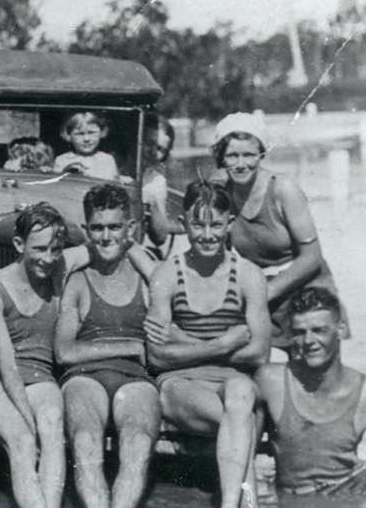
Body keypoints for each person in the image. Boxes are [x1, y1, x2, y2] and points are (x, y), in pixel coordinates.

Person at [145, 179, 271, 508]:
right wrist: (223, 343)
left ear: (229, 223)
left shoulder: (248, 275)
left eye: (216, 224)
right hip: (180, 386)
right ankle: (247, 503)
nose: (207, 234)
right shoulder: (167, 274)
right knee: (241, 417)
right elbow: (156, 357)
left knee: (240, 396)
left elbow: (259, 351)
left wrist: (183, 342)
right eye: (197, 225)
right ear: (184, 223)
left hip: (233, 384)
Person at [254, 287, 366, 504]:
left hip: (358, 491)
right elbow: (245, 452)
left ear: (340, 329)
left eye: (319, 330)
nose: (309, 341)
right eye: (300, 332)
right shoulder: (271, 381)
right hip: (297, 497)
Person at [54, 184, 161, 508]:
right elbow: (65, 351)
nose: (105, 236)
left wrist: (139, 253)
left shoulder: (146, 276)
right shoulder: (78, 280)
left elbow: (169, 292)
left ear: (130, 228)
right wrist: (129, 344)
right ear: (87, 230)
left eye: (114, 227)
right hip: (85, 377)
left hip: (136, 380)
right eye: (97, 228)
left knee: (138, 441)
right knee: (85, 439)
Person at [0, 203, 69, 508]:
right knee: (22, 440)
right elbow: (6, 366)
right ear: (19, 245)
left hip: (38, 372)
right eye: (40, 248)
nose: (48, 258)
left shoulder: (58, 273)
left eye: (56, 249)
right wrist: (27, 423)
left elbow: (98, 250)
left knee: (52, 426)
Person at [211, 112, 347, 349]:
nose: (241, 164)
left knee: (311, 367)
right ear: (221, 157)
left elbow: (312, 256)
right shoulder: (220, 192)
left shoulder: (282, 188)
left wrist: (264, 293)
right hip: (260, 288)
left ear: (262, 154)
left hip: (306, 285)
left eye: (249, 155)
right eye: (232, 155)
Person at [142, 116, 183, 249]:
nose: (153, 152)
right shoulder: (112, 164)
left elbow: (160, 238)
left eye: (160, 149)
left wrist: (153, 204)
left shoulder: (157, 181)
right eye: (149, 143)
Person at [52, 111, 121, 182]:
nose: (86, 139)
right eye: (79, 134)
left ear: (101, 132)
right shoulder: (62, 160)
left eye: (92, 132)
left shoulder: (107, 159)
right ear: (69, 135)